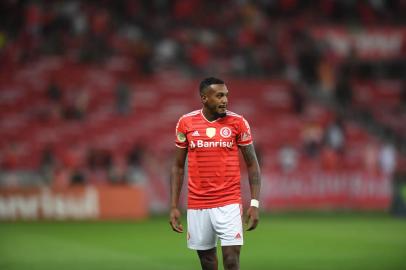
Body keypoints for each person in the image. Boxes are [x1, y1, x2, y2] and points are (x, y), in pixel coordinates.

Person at [169, 77, 261, 270]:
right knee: (208, 262)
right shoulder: (186, 123)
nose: (225, 100)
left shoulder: (238, 123)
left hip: (229, 202)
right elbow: (177, 167)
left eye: (226, 95)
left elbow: (252, 164)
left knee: (231, 260)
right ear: (204, 98)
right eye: (219, 96)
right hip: (198, 204)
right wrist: (174, 206)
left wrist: (254, 203)